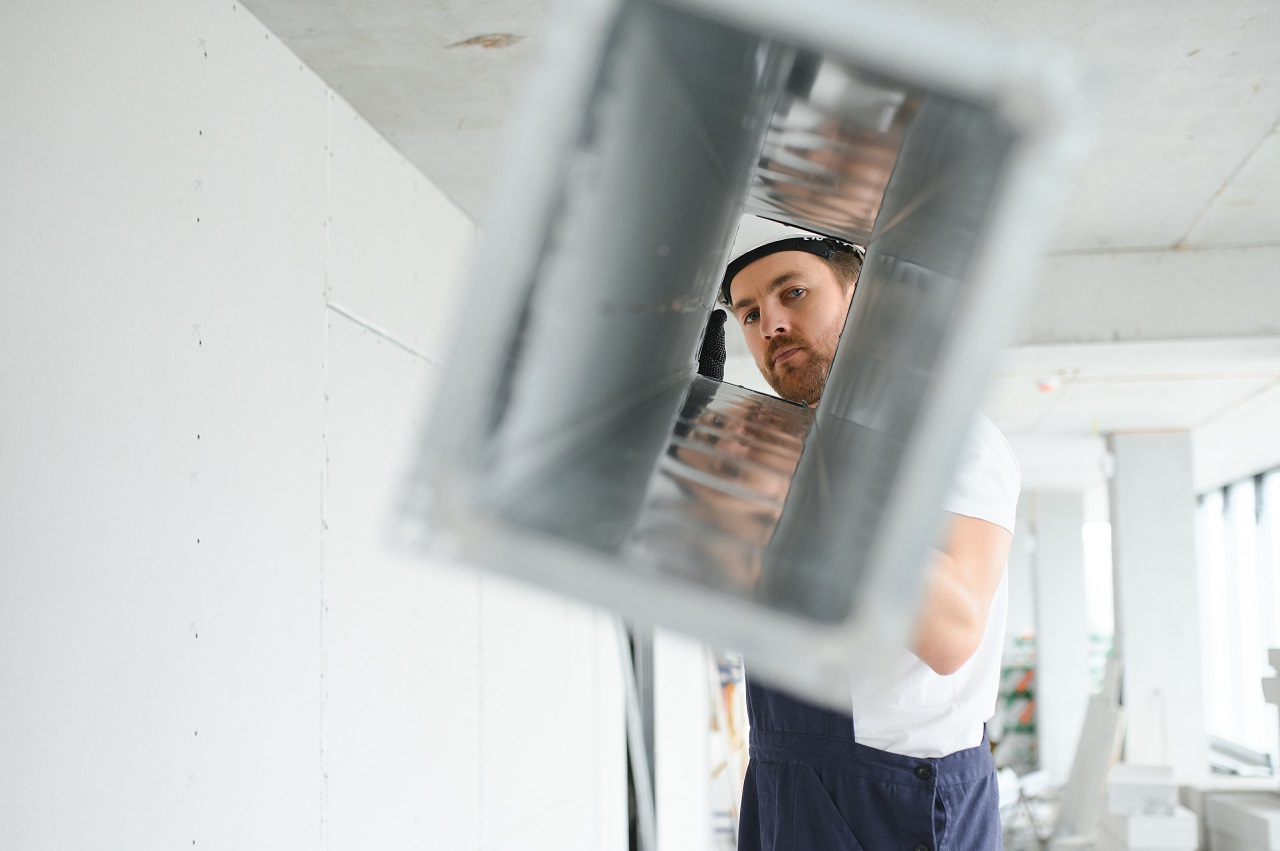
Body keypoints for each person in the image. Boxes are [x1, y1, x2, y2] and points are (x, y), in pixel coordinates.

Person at [713, 216, 1021, 851]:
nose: (769, 324)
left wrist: (800, 473)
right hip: (783, 768)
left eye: (792, 292)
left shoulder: (950, 437)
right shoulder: (794, 451)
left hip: (893, 792)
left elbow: (951, 636)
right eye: (748, 313)